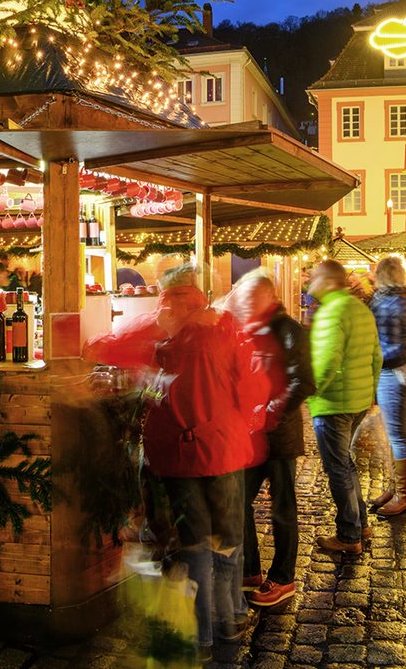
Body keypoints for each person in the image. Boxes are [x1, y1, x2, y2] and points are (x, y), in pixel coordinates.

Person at [141, 265, 254, 659]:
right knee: (228, 541)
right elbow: (249, 383)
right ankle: (230, 620)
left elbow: (117, 354)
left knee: (196, 547)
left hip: (179, 454)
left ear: (167, 293)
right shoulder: (224, 324)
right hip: (224, 447)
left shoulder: (160, 329)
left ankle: (202, 638)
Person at [229, 270, 315, 608]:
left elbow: (304, 382)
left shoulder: (290, 331)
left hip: (279, 437)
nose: (246, 304)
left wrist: (268, 413)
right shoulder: (251, 329)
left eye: (252, 298)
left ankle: (283, 578)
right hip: (249, 436)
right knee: (239, 501)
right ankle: (249, 568)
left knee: (282, 509)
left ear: (268, 296)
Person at [307, 259, 382, 555]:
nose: (310, 282)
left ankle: (350, 536)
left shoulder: (331, 313)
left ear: (327, 282)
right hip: (359, 399)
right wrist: (371, 391)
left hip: (334, 402)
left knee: (338, 468)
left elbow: (326, 363)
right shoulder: (359, 309)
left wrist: (309, 393)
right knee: (345, 464)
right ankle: (361, 524)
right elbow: (377, 355)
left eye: (314, 277)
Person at [369, 257, 406, 518]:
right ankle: (393, 487)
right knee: (393, 433)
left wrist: (374, 364)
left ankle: (403, 495)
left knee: (398, 435)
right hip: (399, 369)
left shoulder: (391, 302)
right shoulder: (400, 297)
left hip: (395, 371)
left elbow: (393, 345)